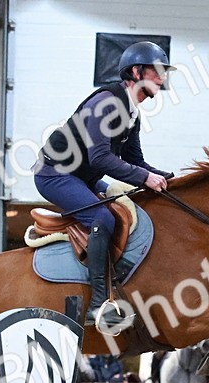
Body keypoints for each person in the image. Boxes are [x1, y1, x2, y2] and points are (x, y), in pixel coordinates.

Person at [34, 41, 177, 334]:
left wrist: (170, 180)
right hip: (54, 174)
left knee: (127, 204)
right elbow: (101, 157)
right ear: (136, 71)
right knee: (102, 218)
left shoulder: (132, 113)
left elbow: (135, 161)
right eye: (157, 71)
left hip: (82, 176)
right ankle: (99, 304)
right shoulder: (106, 104)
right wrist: (144, 178)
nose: (162, 79)